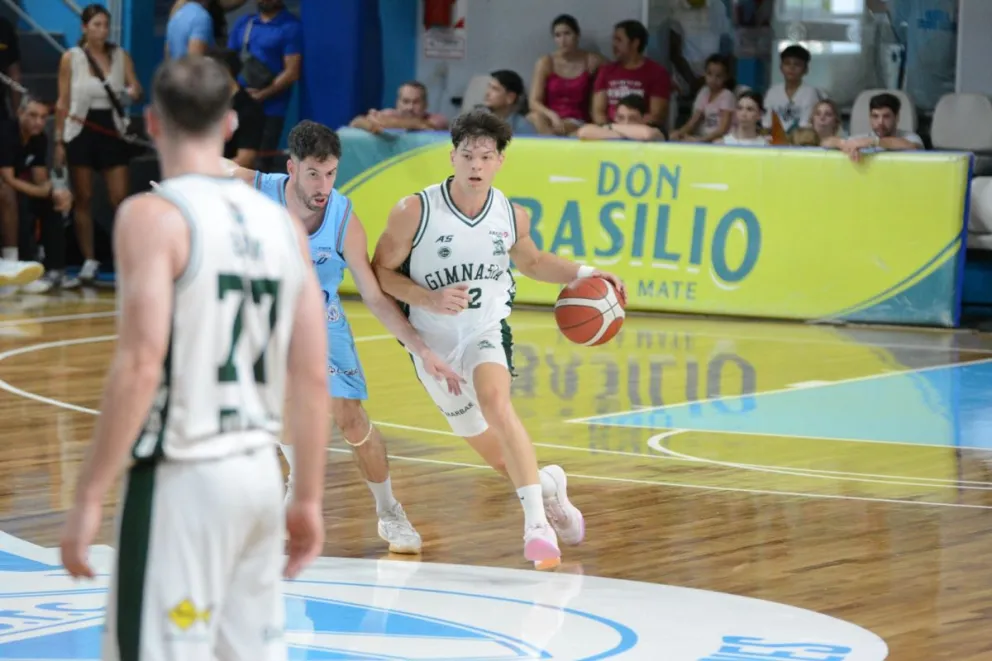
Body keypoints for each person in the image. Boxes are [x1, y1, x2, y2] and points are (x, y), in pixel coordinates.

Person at [59, 55, 329, 660]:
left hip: (183, 477)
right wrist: (306, 497)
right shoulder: (283, 225)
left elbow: (139, 363)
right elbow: (312, 373)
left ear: (152, 123)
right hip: (260, 476)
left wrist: (88, 496)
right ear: (230, 124)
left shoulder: (153, 215)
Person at [372, 109, 628, 569]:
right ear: (451, 157)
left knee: (496, 402)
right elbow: (381, 274)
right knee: (495, 454)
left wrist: (587, 273)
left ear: (499, 161)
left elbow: (532, 263)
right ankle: (548, 486)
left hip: (485, 328)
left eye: (485, 156)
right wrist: (427, 298)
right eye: (467, 154)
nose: (475, 164)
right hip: (431, 344)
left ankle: (536, 525)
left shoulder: (510, 214)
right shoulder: (415, 211)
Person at [223, 120, 462, 555]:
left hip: (322, 322)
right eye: (314, 173)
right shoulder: (260, 188)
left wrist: (421, 348)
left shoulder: (342, 217)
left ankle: (390, 511)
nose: (323, 184)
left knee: (349, 416)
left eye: (331, 173)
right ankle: (296, 488)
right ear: (291, 169)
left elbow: (373, 295)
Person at [0, 96, 75, 292]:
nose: (39, 122)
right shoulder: (7, 133)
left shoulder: (39, 138)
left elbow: (40, 178)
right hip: (5, 188)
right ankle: (12, 265)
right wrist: (41, 190)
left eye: (43, 117)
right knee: (13, 195)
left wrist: (57, 190)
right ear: (20, 113)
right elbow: (7, 178)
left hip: (14, 189)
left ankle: (55, 269)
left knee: (52, 201)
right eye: (33, 116)